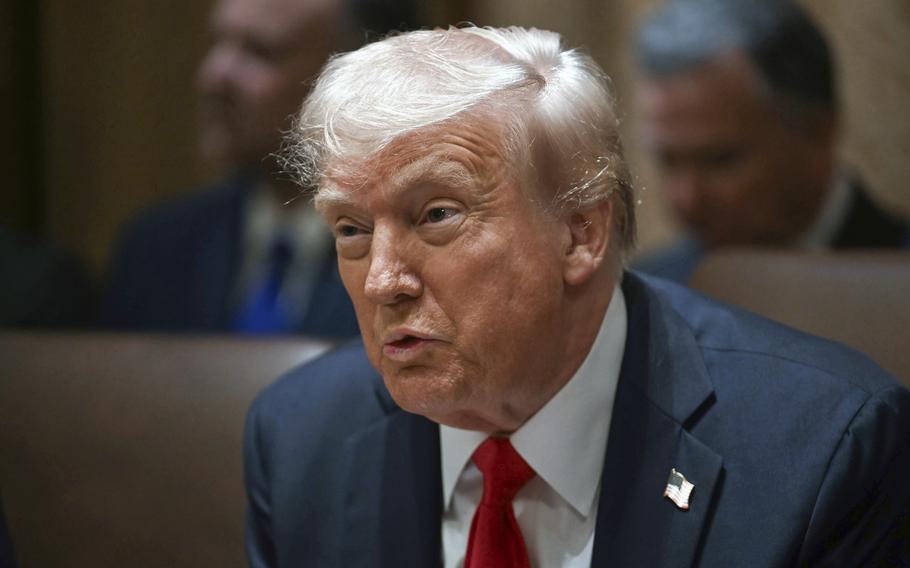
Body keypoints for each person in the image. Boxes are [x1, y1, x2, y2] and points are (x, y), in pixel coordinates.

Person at [243, 26, 910, 567]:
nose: (383, 280)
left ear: (580, 234)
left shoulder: (823, 455)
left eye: (436, 215)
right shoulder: (300, 442)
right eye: (352, 230)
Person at [101, 0, 415, 336]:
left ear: (359, 77)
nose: (213, 76)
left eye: (260, 52)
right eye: (218, 42)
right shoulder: (155, 248)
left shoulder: (412, 256)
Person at [631, 0, 910, 284]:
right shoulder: (649, 293)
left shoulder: (899, 279)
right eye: (668, 161)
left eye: (719, 160)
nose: (686, 200)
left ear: (817, 131)